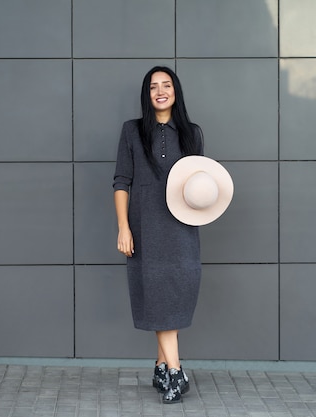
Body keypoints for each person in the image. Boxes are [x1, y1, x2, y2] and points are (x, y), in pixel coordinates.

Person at [113, 66, 203, 404]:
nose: (160, 91)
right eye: (153, 87)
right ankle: (176, 371)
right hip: (145, 229)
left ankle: (161, 366)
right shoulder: (132, 131)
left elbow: (199, 184)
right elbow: (122, 181)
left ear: (176, 91)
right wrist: (124, 227)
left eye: (166, 85)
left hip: (181, 230)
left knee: (172, 294)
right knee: (157, 295)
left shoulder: (192, 133)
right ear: (146, 94)